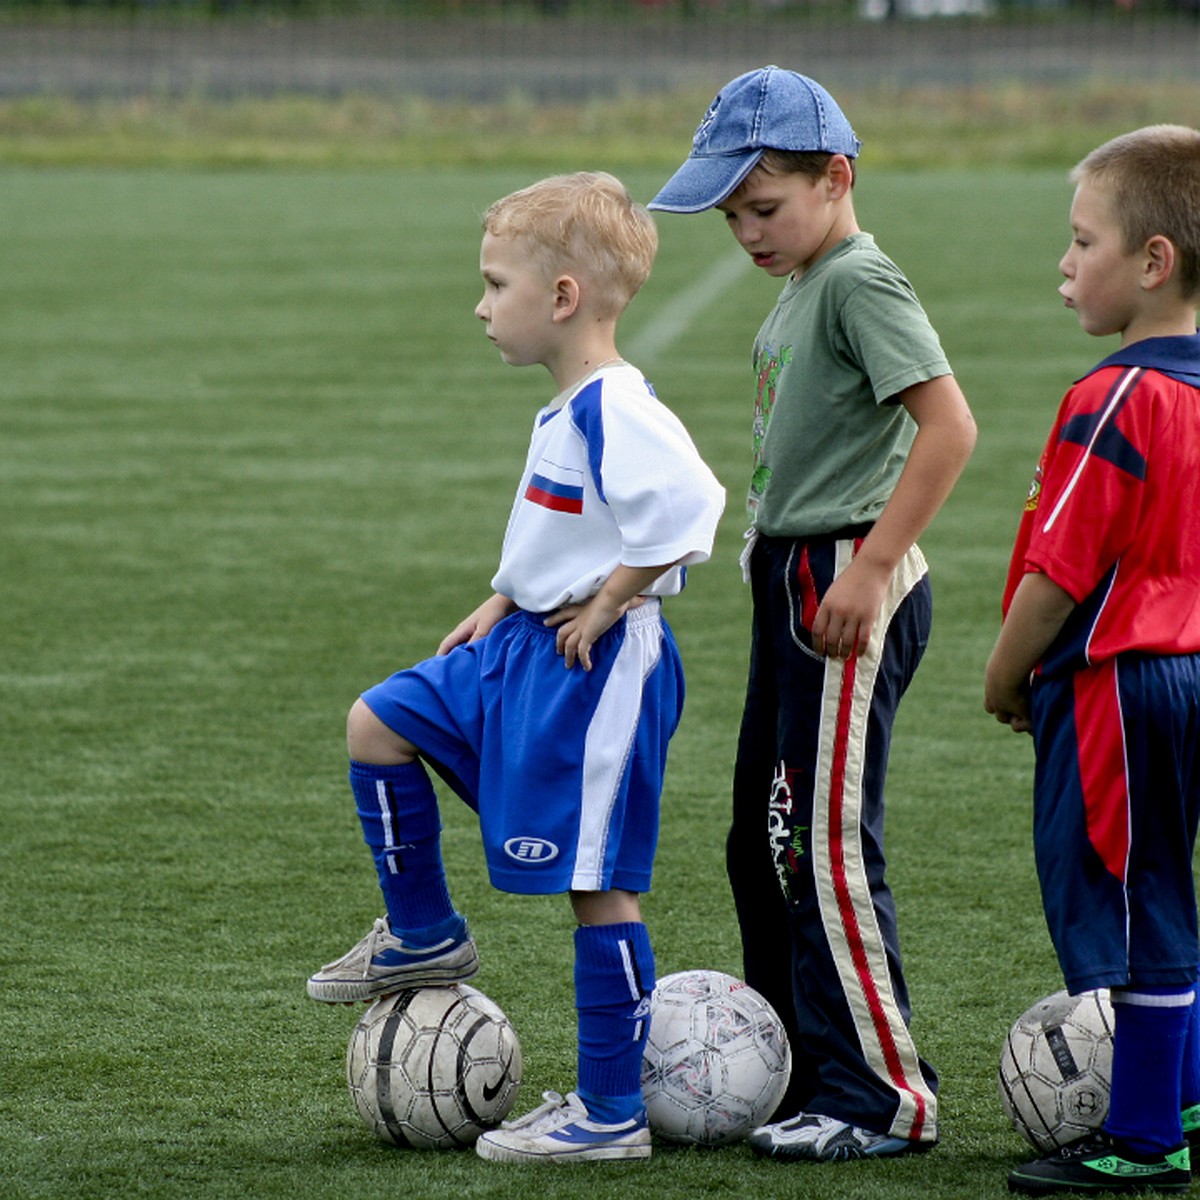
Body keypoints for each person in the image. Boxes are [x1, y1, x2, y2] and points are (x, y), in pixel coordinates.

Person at [305, 171, 726, 1164]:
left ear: (564, 298)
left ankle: (611, 1114)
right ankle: (422, 932)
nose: (483, 305)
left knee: (597, 887)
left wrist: (615, 597)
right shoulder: (569, 404)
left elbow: (689, 509)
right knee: (380, 721)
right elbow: (569, 522)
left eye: (497, 285)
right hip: (524, 641)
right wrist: (503, 595)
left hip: (594, 663)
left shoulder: (617, 405)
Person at [648, 66, 976, 1163]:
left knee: (822, 846)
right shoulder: (807, 279)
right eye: (732, 214)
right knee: (762, 839)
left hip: (842, 579)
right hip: (792, 575)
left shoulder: (858, 280)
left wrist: (871, 566)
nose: (747, 231)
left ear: (837, 178)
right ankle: (791, 1062)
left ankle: (883, 1096)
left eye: (765, 206)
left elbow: (949, 429)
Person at [985, 124, 1200, 1195]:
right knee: (1170, 880)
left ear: (1152, 262)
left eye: (1081, 242)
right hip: (1194, 674)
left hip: (1122, 680)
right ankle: (1187, 1095)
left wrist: (1003, 672)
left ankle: (1147, 1139)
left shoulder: (1116, 395)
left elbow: (1062, 571)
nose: (1065, 265)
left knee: (1135, 900)